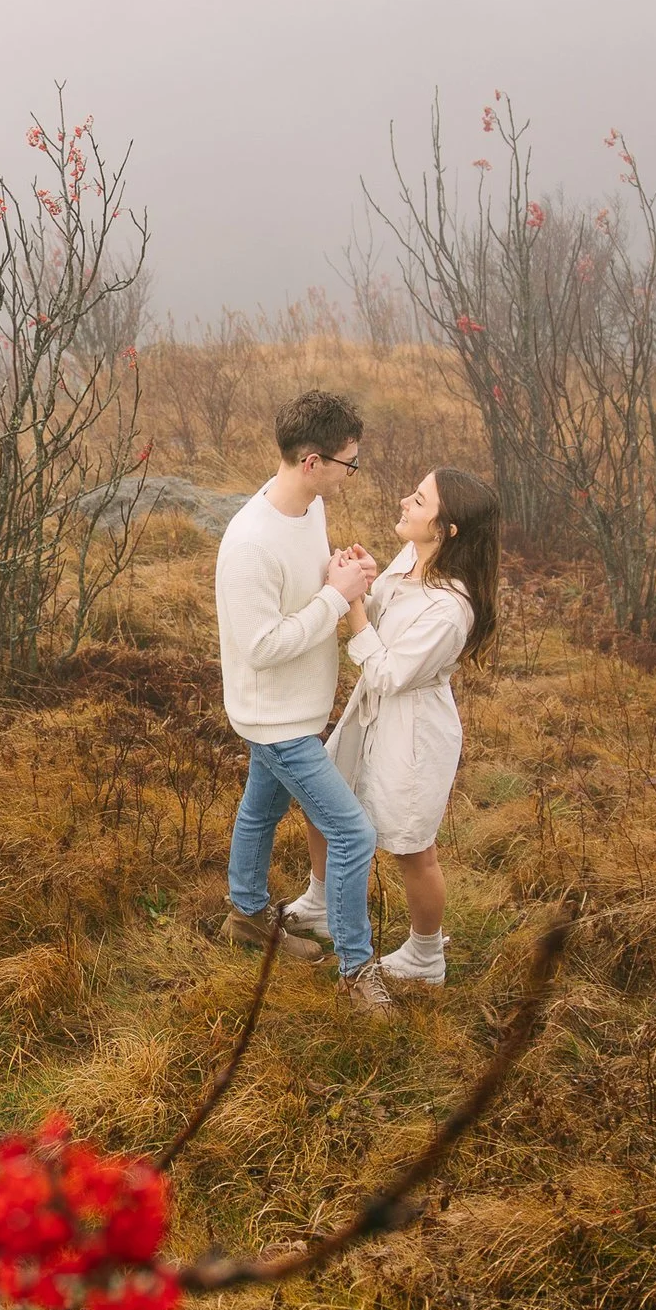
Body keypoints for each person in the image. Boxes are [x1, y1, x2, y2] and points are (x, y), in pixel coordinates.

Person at [212, 390, 391, 1013]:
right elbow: (262, 646)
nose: (352, 472)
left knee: (261, 810)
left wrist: (338, 573)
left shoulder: (308, 505)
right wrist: (336, 599)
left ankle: (246, 916)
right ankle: (355, 972)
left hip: (300, 708)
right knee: (352, 833)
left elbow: (303, 594)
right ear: (312, 461)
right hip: (275, 720)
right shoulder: (248, 544)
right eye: (349, 462)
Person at [299, 467, 501, 986]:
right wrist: (367, 576)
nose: (405, 502)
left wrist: (353, 604)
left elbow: (389, 672)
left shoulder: (451, 609)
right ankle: (320, 903)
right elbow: (387, 608)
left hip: (411, 731)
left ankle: (425, 956)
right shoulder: (414, 557)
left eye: (419, 499)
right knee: (326, 803)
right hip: (370, 713)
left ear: (447, 528)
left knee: (412, 847)